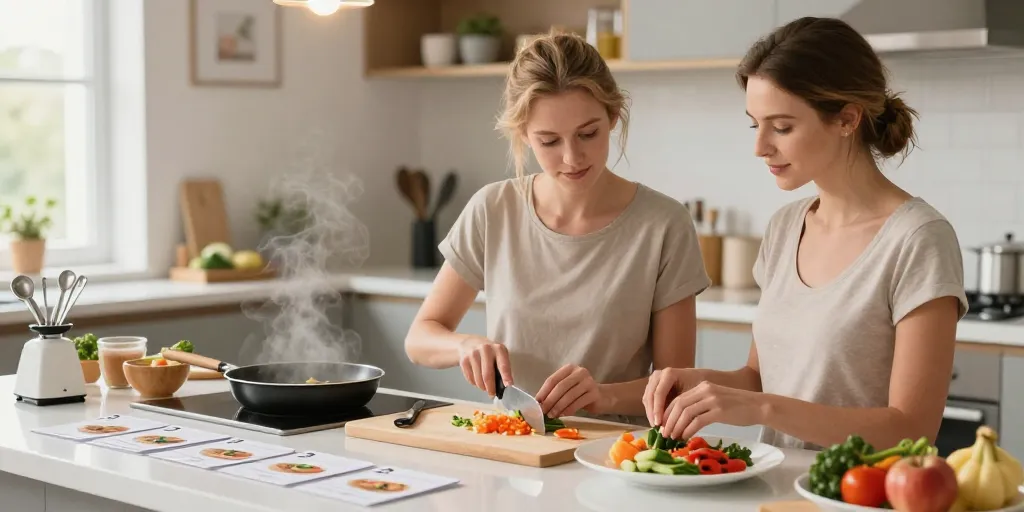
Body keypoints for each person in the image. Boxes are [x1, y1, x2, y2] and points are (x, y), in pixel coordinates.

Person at [643, 17, 968, 451]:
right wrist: (697, 383)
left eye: (781, 127)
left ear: (847, 119)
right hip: (778, 492)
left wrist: (762, 409)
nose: (760, 147)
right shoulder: (784, 228)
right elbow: (760, 378)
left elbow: (911, 430)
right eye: (754, 124)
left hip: (858, 497)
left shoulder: (918, 240)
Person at [404, 31, 711, 424]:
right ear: (523, 135)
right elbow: (420, 338)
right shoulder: (493, 209)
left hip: (613, 458)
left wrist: (603, 396)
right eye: (549, 141)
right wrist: (464, 345)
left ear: (613, 116)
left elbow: (676, 387)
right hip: (510, 445)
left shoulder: (664, 224)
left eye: (588, 134)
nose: (572, 157)